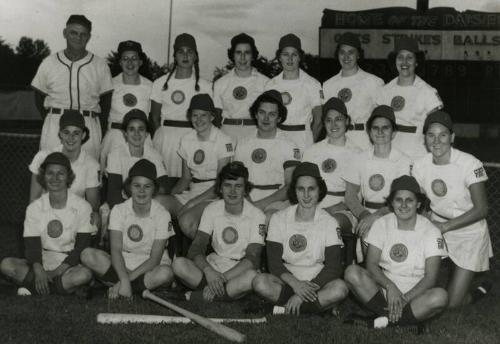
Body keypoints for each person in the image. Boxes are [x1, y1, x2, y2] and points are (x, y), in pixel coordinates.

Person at [344, 175, 448, 329]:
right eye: (399, 199)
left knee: (440, 297)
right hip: (385, 288)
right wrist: (390, 287)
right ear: (391, 203)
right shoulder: (381, 224)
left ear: (418, 203)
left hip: (416, 292)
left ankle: (378, 320)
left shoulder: (431, 231)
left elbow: (430, 278)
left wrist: (404, 299)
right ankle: (409, 320)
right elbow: (371, 265)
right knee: (351, 272)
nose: (404, 205)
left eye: (410, 200)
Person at [412, 111, 493, 308]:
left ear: (452, 137)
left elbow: (482, 209)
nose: (436, 141)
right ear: (425, 139)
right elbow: (420, 202)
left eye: (443, 135)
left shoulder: (469, 163)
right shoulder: (420, 165)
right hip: (437, 225)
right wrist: (424, 222)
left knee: (452, 304)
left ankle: (478, 290)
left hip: (469, 231)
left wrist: (445, 226)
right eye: (431, 135)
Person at [252, 162, 348, 315]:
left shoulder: (329, 222)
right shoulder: (279, 218)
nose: (306, 195)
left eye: (311, 189)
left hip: (317, 280)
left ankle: (281, 309)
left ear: (319, 190)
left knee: (340, 288)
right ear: (294, 191)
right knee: (259, 282)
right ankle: (317, 309)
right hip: (287, 278)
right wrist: (296, 285)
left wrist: (301, 294)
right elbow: (274, 264)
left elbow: (333, 267)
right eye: (300, 189)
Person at [0, 153, 93, 295]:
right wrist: (39, 270)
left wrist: (56, 272)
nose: (55, 178)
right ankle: (60, 288)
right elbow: (32, 245)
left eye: (60, 174)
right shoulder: (34, 207)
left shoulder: (83, 207)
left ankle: (33, 287)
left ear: (68, 176)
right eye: (50, 173)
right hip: (41, 259)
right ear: (43, 176)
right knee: (6, 265)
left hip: (68, 263)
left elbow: (81, 247)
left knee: (84, 274)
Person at [81, 159, 175, 299]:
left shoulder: (162, 214)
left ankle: (116, 287)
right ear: (129, 186)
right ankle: (137, 288)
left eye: (147, 186)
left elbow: (154, 259)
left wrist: (125, 281)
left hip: (149, 266)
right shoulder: (119, 210)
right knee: (87, 255)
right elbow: (116, 250)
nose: (141, 191)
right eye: (137, 185)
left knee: (165, 274)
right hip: (122, 263)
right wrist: (124, 278)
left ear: (154, 189)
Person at [172, 162, 265, 302]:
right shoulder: (212, 209)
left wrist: (222, 279)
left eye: (238, 186)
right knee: (178, 264)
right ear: (220, 188)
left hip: (238, 270)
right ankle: (224, 295)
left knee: (252, 277)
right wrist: (209, 272)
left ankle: (200, 295)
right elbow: (196, 249)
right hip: (214, 265)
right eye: (227, 185)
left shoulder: (257, 215)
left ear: (246, 190)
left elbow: (252, 259)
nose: (232, 191)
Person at [31, 14, 113, 160]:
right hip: (56, 123)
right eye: (73, 33)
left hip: (88, 123)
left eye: (83, 34)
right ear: (65, 33)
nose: (78, 37)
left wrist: (96, 125)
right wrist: (51, 118)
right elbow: (38, 98)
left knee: (87, 174)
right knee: (52, 172)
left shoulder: (100, 65)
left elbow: (106, 102)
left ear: (89, 37)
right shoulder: (49, 62)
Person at [157, 94, 234, 239]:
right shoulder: (187, 139)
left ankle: (204, 255)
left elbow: (221, 184)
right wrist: (172, 196)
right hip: (192, 192)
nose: (198, 120)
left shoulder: (223, 140)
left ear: (212, 117)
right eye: (195, 115)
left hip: (215, 195)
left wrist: (192, 203)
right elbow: (186, 178)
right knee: (157, 203)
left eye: (203, 115)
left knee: (187, 221)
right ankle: (167, 251)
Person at [343, 105, 412, 260]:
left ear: (394, 132)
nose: (380, 132)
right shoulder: (359, 158)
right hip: (364, 213)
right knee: (368, 231)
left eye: (385, 128)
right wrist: (364, 215)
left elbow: (403, 199)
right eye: (375, 128)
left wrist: (377, 216)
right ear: (369, 131)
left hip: (395, 213)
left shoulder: (403, 161)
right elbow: (350, 196)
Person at [302, 97, 362, 264]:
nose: (333, 125)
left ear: (347, 121)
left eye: (338, 119)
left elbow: (355, 197)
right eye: (328, 120)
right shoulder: (312, 151)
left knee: (330, 222)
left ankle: (330, 268)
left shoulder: (357, 153)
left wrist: (325, 211)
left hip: (344, 208)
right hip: (313, 203)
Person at [151, 33, 212, 188]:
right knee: (163, 183)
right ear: (175, 56)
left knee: (189, 184)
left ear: (196, 56)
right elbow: (155, 117)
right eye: (181, 52)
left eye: (189, 52)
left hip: (193, 137)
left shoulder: (205, 85)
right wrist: (164, 136)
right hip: (165, 139)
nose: (185, 56)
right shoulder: (160, 83)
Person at [29, 110, 100, 234]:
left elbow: (92, 207)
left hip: (75, 218)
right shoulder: (43, 157)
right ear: (60, 134)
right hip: (47, 216)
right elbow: (33, 200)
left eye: (76, 133)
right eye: (66, 132)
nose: (71, 138)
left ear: (83, 135)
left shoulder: (91, 165)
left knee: (93, 220)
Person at [376, 36, 443, 161]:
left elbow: (436, 128)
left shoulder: (427, 91)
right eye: (400, 57)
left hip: (416, 155)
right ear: (395, 61)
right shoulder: (385, 90)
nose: (404, 62)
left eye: (410, 57)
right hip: (388, 153)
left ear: (417, 62)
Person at [234, 90, 300, 214]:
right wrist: (248, 203)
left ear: (279, 118)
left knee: (268, 218)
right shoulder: (243, 143)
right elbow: (236, 179)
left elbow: (290, 187)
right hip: (245, 199)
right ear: (255, 114)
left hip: (276, 201)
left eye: (272, 114)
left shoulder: (289, 145)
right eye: (262, 112)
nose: (266, 118)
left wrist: (258, 206)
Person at [322, 32, 384, 150]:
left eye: (351, 52)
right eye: (342, 52)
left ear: (358, 55)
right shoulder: (328, 85)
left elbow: (381, 118)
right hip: (334, 138)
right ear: (337, 55)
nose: (346, 57)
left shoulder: (374, 82)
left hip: (363, 140)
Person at [100, 40, 153, 172]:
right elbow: (102, 115)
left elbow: (152, 117)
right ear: (120, 62)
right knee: (112, 179)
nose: (130, 63)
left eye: (134, 58)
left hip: (140, 139)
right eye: (125, 58)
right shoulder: (110, 84)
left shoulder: (150, 86)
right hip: (115, 138)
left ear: (140, 62)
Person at [265, 34, 323, 153]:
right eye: (285, 54)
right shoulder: (271, 85)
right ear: (279, 57)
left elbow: (318, 120)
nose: (290, 59)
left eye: (294, 54)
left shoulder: (312, 84)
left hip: (302, 138)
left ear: (300, 57)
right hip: (277, 137)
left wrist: (310, 145)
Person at [106, 109, 167, 209]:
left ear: (147, 133)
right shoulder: (115, 155)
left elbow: (164, 187)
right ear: (125, 134)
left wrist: (142, 198)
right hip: (121, 204)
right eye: (131, 129)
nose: (136, 133)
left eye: (141, 129)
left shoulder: (154, 154)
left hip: (148, 203)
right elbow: (113, 196)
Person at [214, 33, 269, 142]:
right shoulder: (220, 83)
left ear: (253, 55)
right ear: (232, 55)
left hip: (255, 133)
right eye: (238, 52)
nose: (242, 57)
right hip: (227, 134)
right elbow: (216, 117)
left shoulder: (265, 83)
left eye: (247, 53)